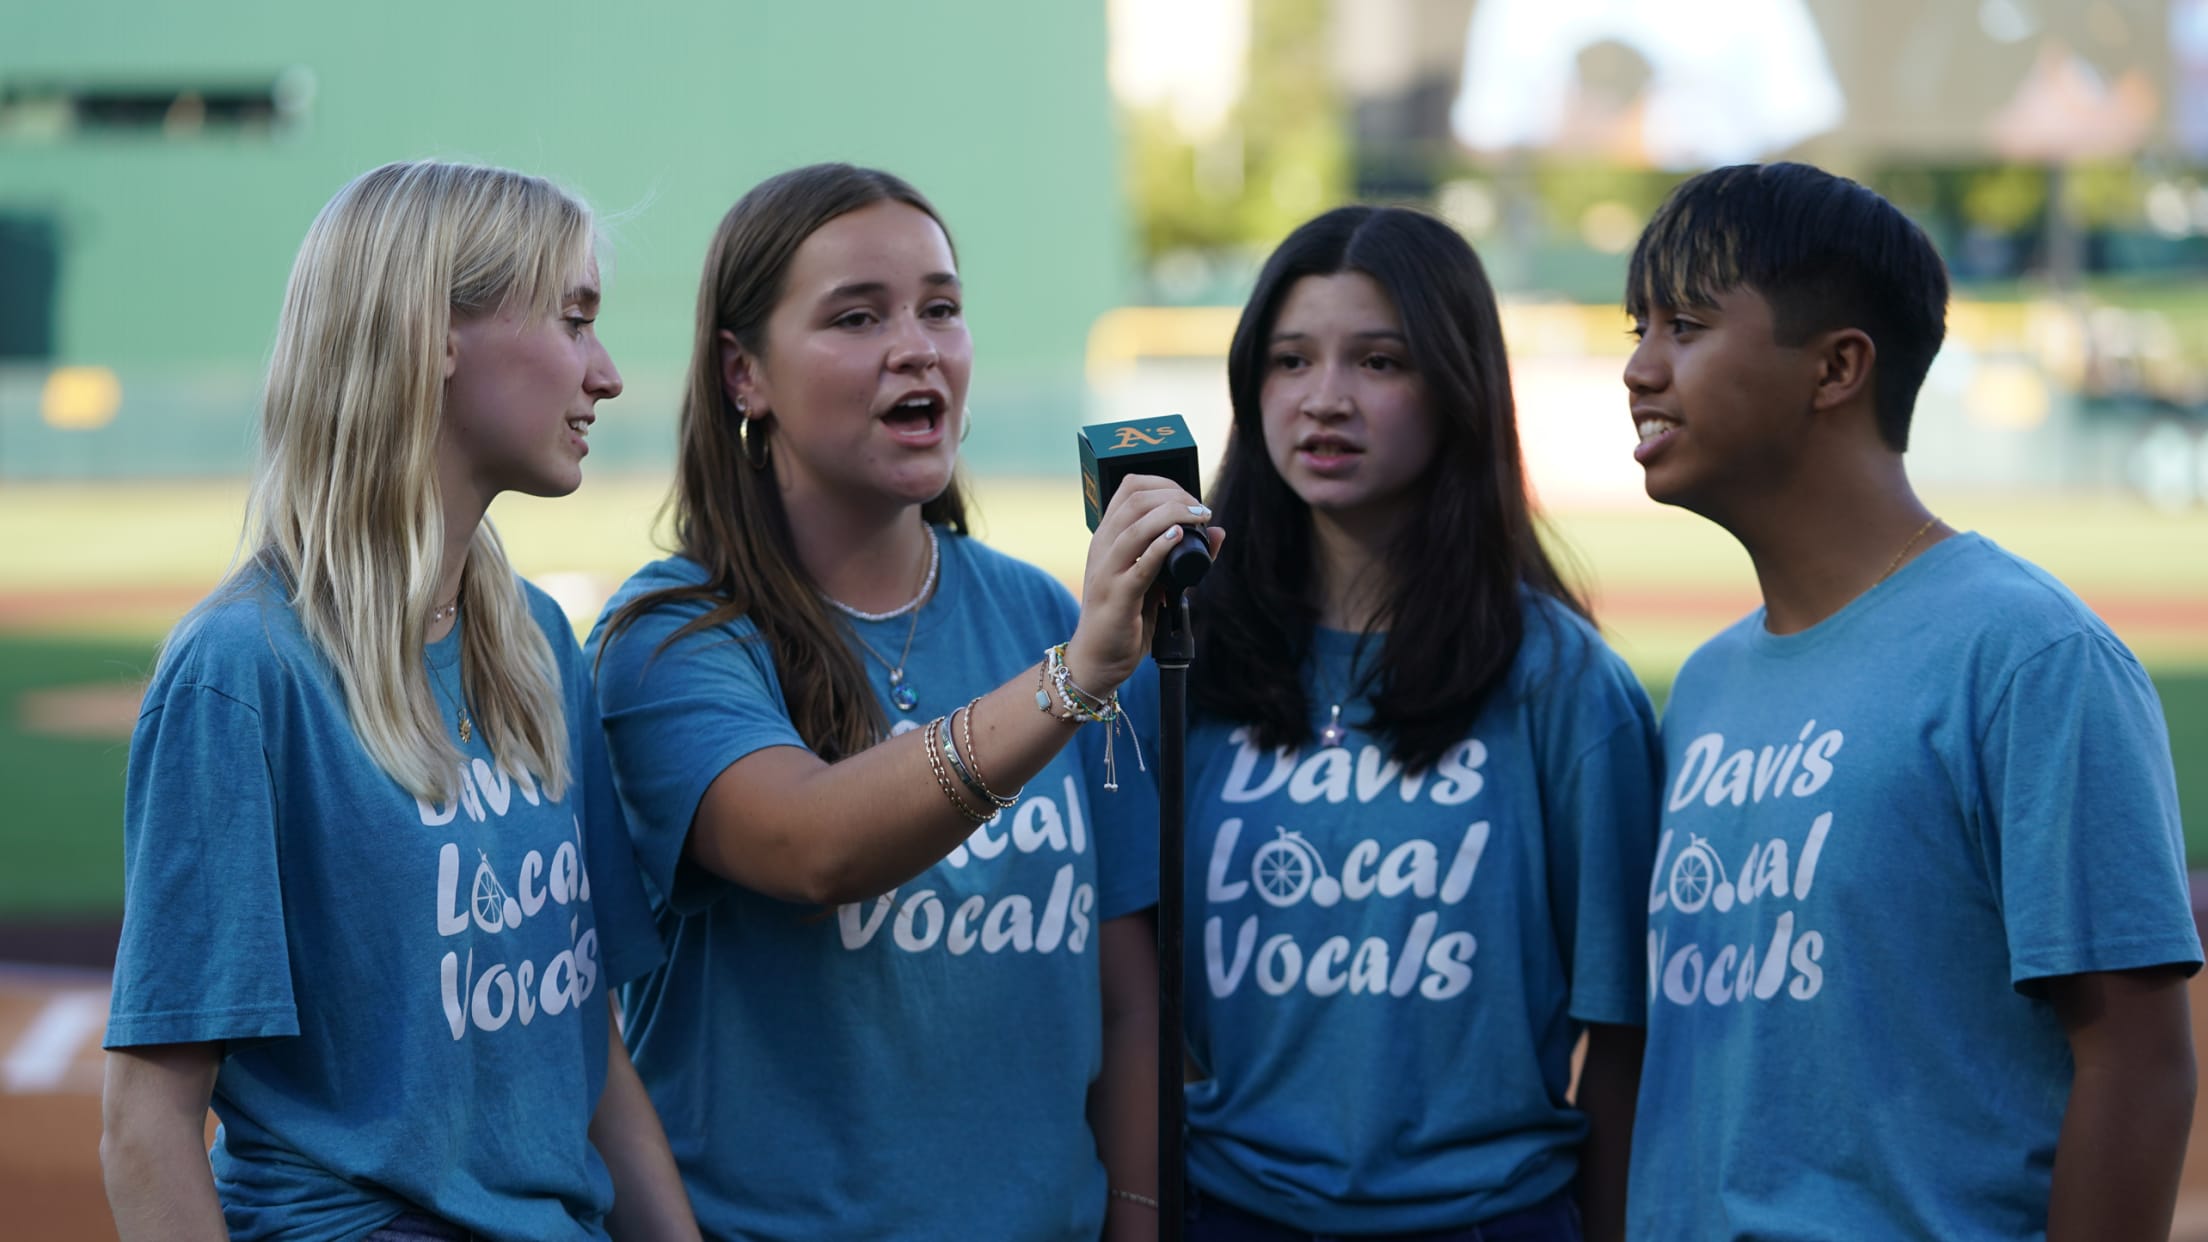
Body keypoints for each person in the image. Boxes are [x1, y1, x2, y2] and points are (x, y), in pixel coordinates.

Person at [587, 163, 1206, 1241]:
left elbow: (1127, 992)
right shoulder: (671, 638)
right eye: (856, 316)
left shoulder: (1035, 610)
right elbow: (811, 846)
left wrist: (1137, 1215)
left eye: (941, 308)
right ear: (745, 375)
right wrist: (1073, 679)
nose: (917, 346)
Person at [98, 160, 697, 1242]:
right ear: (434, 333)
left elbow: (587, 1050)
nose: (605, 373)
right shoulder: (242, 672)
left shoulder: (535, 645)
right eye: (573, 319)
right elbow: (147, 1124)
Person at [1621, 162, 2201, 1241]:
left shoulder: (2031, 657)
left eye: (1687, 326)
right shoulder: (1705, 684)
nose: (1642, 370)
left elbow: (2139, 1062)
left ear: (1837, 367)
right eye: (1636, 329)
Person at [1178, 204, 1661, 1242]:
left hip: (1491, 1219)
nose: (1325, 401)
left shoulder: (1564, 683)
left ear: (1456, 387)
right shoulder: (1183, 662)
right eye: (1290, 361)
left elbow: (1624, 1036)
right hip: (1229, 1211)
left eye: (1380, 363)